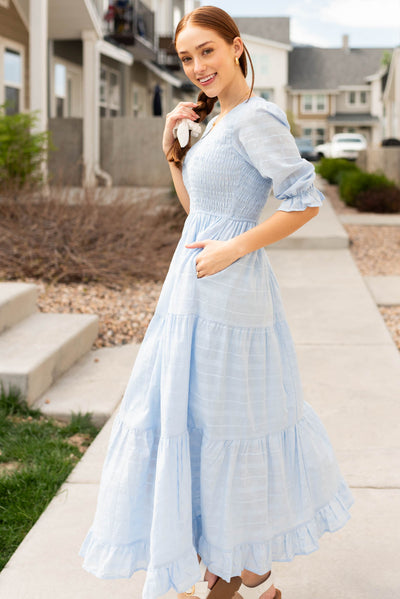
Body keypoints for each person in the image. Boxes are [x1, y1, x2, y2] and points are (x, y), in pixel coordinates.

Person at [79, 7, 354, 599]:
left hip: (232, 295)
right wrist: (173, 154)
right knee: (196, 426)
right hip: (191, 287)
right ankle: (250, 573)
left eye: (207, 51)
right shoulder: (218, 121)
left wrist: (236, 249)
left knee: (229, 426)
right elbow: (198, 215)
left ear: (236, 48)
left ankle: (232, 579)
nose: (197, 66)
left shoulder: (256, 119)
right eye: (186, 58)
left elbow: (303, 202)